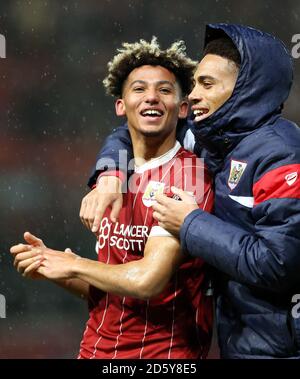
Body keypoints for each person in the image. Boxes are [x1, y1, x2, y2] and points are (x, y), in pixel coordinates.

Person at [82, 24, 300, 359]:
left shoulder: (282, 155)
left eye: (206, 84)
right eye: (195, 82)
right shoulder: (211, 137)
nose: (193, 94)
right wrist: (110, 171)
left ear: (245, 88)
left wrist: (191, 224)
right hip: (242, 338)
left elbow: (277, 264)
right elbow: (137, 127)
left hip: (283, 347)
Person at [10, 38, 214, 359]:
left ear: (183, 107)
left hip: (160, 357)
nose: (151, 97)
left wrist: (75, 264)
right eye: (139, 89)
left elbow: (148, 281)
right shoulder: (110, 180)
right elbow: (112, 290)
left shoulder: (187, 176)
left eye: (164, 90)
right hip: (95, 352)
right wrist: (54, 268)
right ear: (121, 105)